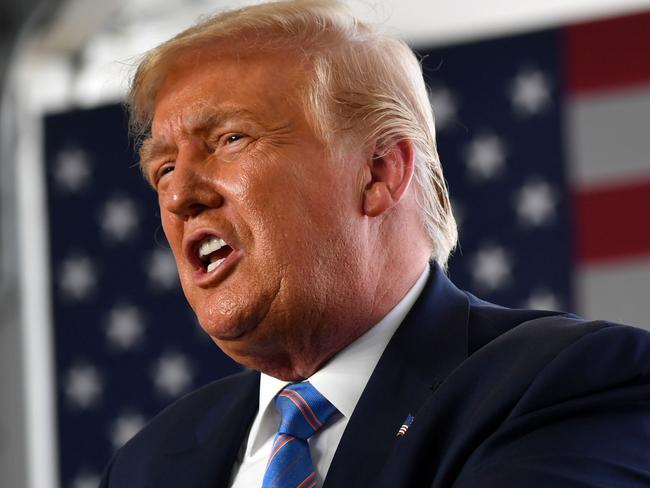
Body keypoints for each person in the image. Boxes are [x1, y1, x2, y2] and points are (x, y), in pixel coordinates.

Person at [100, 0, 650, 486]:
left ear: (378, 173)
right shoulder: (146, 465)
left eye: (229, 140)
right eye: (164, 168)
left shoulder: (571, 383)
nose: (179, 196)